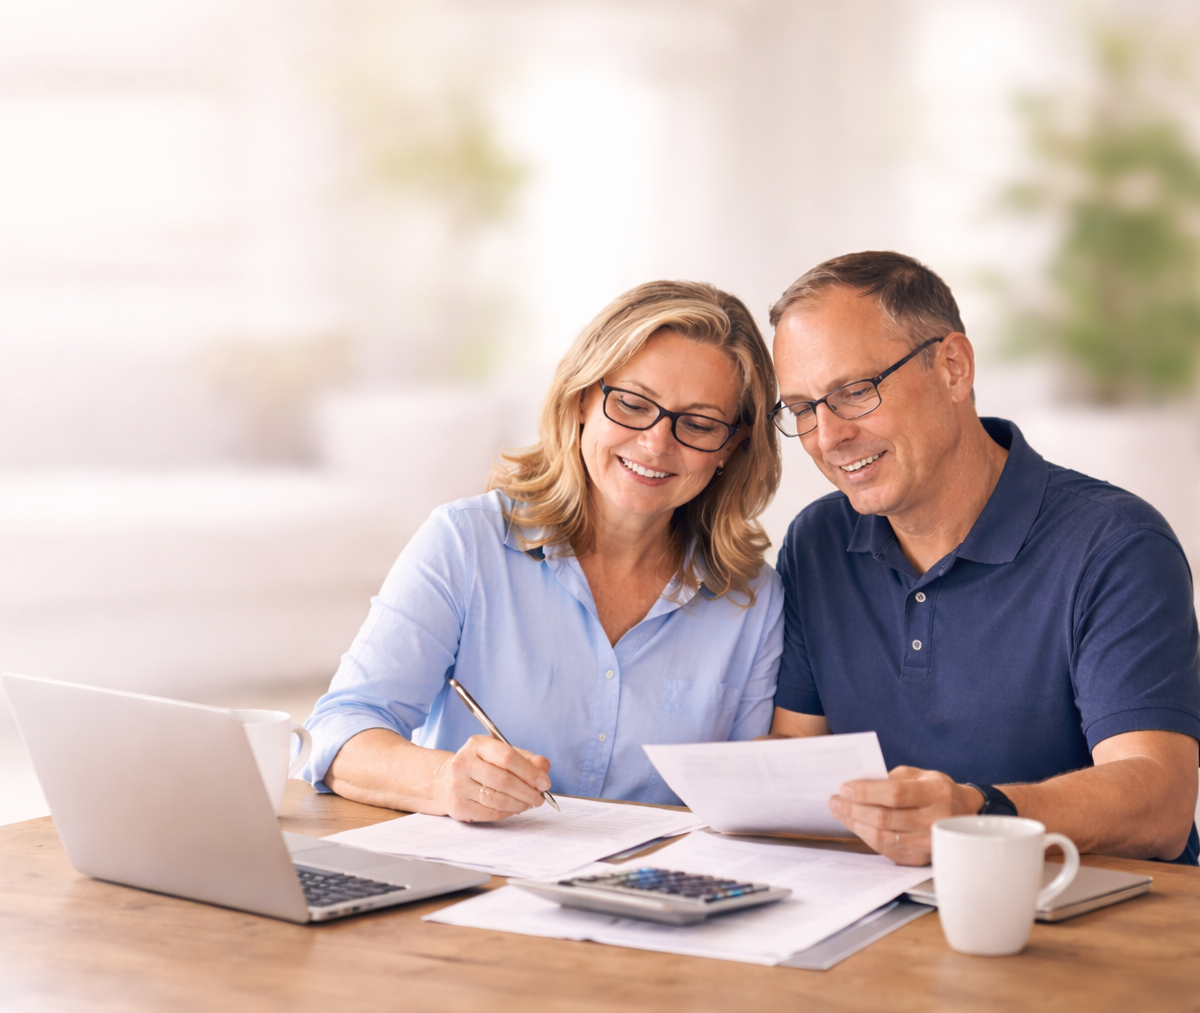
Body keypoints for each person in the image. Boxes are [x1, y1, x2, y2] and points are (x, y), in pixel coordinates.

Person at [767, 250, 1200, 866]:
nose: (829, 437)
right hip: (892, 919)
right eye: (804, 409)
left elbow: (1161, 805)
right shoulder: (817, 543)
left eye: (855, 392)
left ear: (952, 367)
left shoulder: (1116, 543)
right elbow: (794, 759)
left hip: (1094, 929)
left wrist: (976, 813)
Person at [300, 281, 785, 820]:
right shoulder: (466, 544)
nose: (655, 443)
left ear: (732, 447)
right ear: (582, 400)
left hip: (658, 890)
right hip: (480, 885)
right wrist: (442, 782)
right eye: (630, 403)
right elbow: (340, 730)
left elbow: (751, 804)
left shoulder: (753, 600)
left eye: (698, 423)